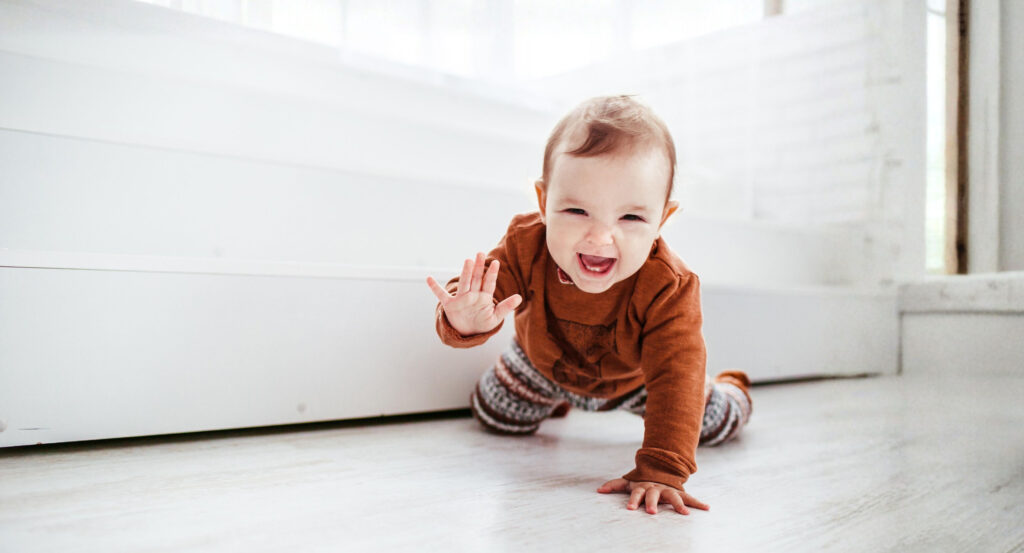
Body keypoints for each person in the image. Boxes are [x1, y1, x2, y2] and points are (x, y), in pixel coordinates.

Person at [426, 95, 752, 516]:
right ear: (544, 204)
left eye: (631, 218)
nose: (600, 238)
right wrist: (465, 317)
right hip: (539, 365)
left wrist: (661, 469)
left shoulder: (668, 286)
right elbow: (484, 289)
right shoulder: (526, 244)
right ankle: (556, 400)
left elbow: (675, 374)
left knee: (710, 424)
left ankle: (733, 389)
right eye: (577, 210)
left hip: (636, 381)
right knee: (494, 415)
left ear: (662, 220)